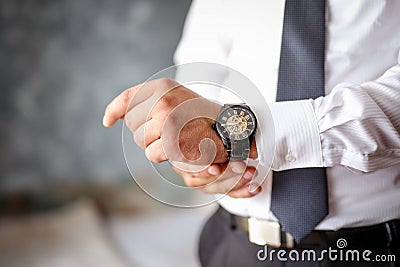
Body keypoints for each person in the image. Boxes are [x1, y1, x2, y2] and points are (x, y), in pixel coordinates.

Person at [103, 0, 400, 266]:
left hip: (373, 249)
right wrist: (201, 159)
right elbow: (200, 79)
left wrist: (233, 133)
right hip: (234, 246)